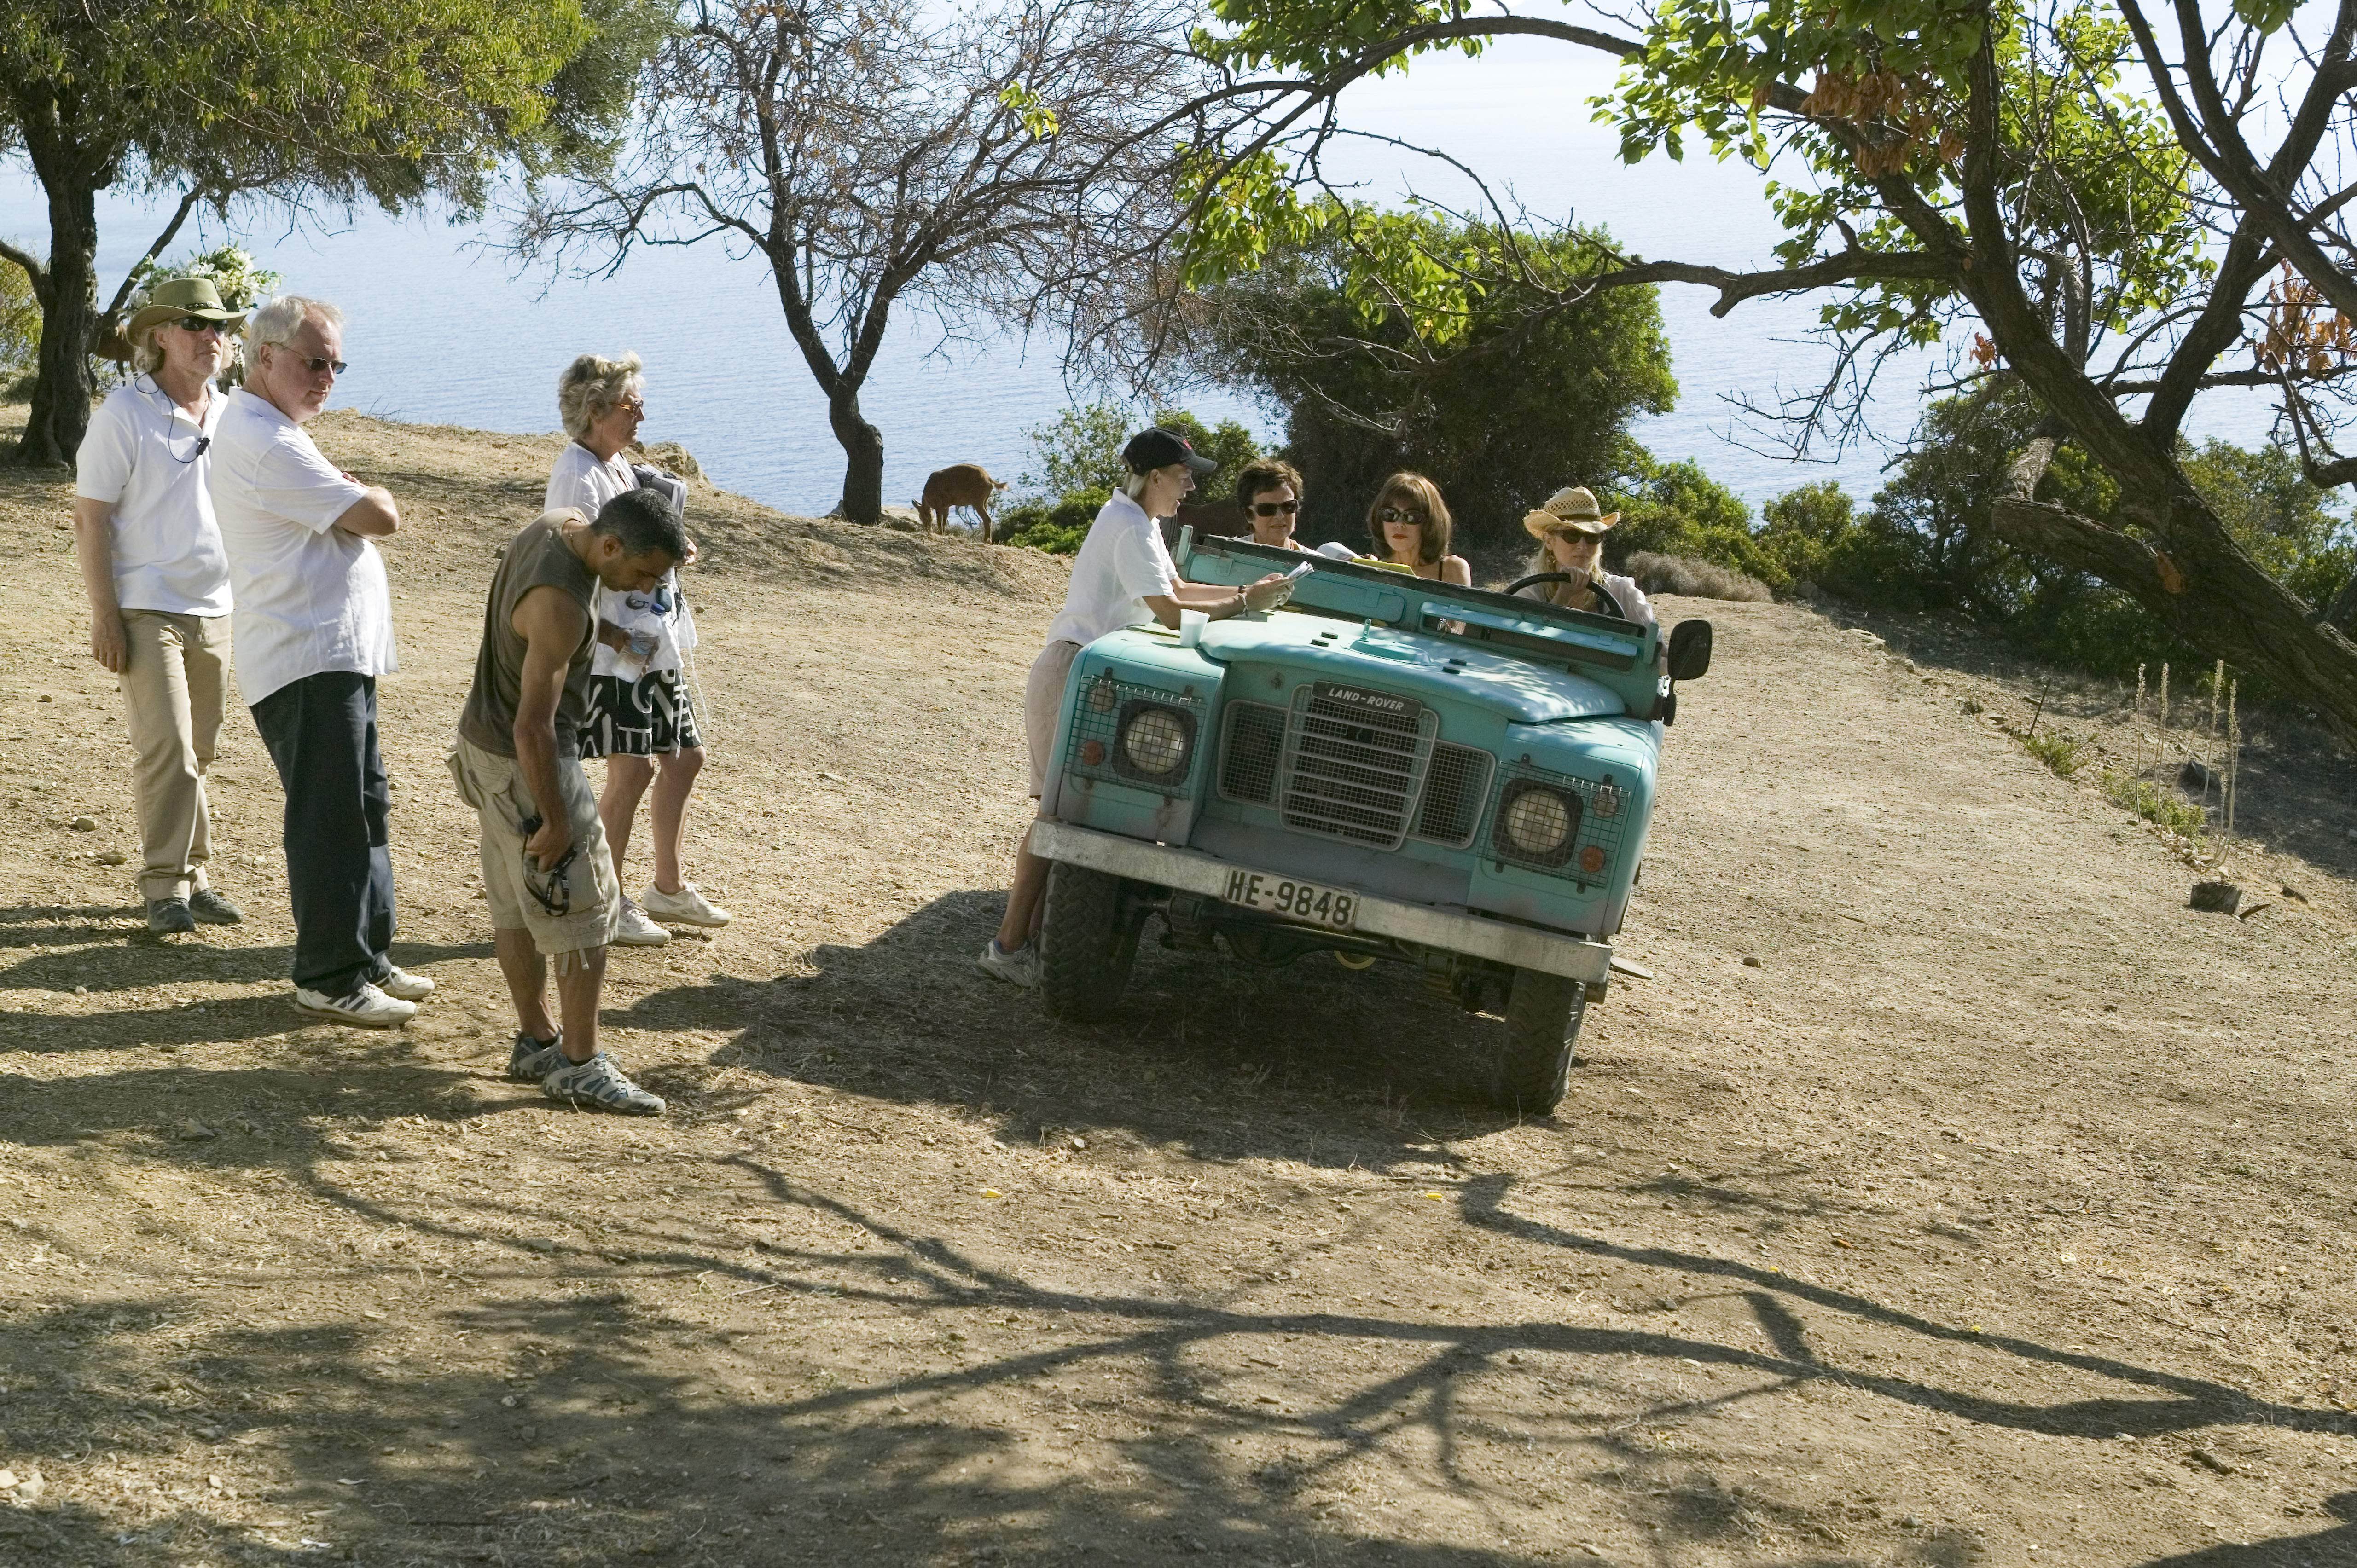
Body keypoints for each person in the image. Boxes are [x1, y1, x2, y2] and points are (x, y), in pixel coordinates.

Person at [978, 427, 1293, 987]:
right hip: (1072, 671)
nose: (1189, 485)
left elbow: (1176, 586)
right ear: (1154, 477)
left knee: (1067, 815)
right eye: (1182, 475)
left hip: (1091, 674)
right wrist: (1246, 603)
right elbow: (1170, 613)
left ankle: (1026, 943)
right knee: (1056, 817)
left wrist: (1251, 588)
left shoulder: (1140, 522)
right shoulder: (1126, 527)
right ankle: (1006, 947)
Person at [209, 294, 433, 1028]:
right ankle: (329, 973)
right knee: (331, 814)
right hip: (305, 655)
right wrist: (373, 492)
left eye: (336, 363)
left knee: (365, 803)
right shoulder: (267, 440)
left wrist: (360, 495)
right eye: (314, 361)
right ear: (265, 355)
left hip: (333, 652)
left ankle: (365, 953)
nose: (327, 376)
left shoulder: (279, 429)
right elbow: (381, 517)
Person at [452, 489, 684, 1115]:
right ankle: (580, 1064)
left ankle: (536, 1039)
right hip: (528, 762)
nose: (644, 586)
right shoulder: (561, 608)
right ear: (610, 546)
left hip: (481, 750)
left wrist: (610, 634)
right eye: (641, 572)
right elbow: (535, 726)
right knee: (588, 910)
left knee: (515, 905)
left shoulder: (557, 528)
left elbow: (541, 624)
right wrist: (556, 816)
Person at [72, 278, 248, 934]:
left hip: (218, 605)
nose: (213, 337)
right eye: (197, 325)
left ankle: (195, 874)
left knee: (202, 749)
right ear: (161, 336)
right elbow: (91, 520)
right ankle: (164, 885)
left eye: (220, 327)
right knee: (168, 746)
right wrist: (106, 614)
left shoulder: (234, 413)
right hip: (147, 606)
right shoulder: (125, 412)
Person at [545, 353, 728, 948]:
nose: (641, 414)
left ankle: (666, 887)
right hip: (616, 651)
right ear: (596, 411)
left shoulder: (617, 465)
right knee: (633, 770)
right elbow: (570, 570)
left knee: (685, 756)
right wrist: (610, 638)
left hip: (652, 643)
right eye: (631, 405)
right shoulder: (578, 475)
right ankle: (605, 897)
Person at [1517, 486, 1659, 635]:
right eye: (1572, 536)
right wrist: (1563, 597)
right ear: (1549, 541)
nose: (1583, 546)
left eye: (1592, 537)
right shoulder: (1529, 593)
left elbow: (1658, 651)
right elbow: (1521, 643)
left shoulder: (1622, 592)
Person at [1367, 471, 1472, 586]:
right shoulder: (1372, 573)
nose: (1399, 524)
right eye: (1390, 514)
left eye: (1411, 516)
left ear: (1430, 522)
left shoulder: (1453, 570)